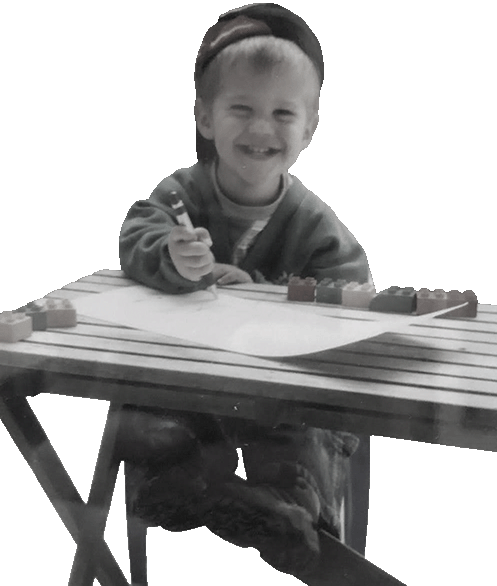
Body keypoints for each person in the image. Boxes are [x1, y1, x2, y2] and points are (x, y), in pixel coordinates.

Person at [118, 3, 372, 579]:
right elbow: (137, 235)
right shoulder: (180, 196)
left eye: (282, 113)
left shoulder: (314, 224)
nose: (261, 129)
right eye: (241, 109)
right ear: (205, 117)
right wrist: (171, 256)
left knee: (303, 445)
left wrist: (258, 294)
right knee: (150, 431)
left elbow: (351, 299)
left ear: (309, 128)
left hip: (281, 398)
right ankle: (203, 491)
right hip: (191, 384)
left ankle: (280, 512)